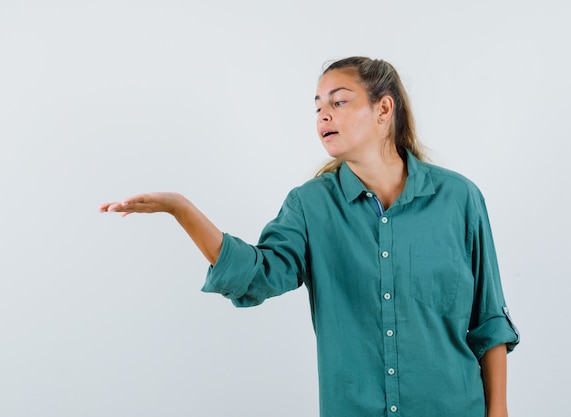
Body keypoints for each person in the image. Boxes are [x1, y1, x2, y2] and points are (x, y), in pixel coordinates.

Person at [100, 56, 519, 417]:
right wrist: (182, 209)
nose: (324, 115)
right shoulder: (310, 206)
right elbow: (255, 276)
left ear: (383, 109)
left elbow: (488, 320)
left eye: (339, 102)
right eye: (318, 106)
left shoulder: (458, 198)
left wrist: (497, 411)